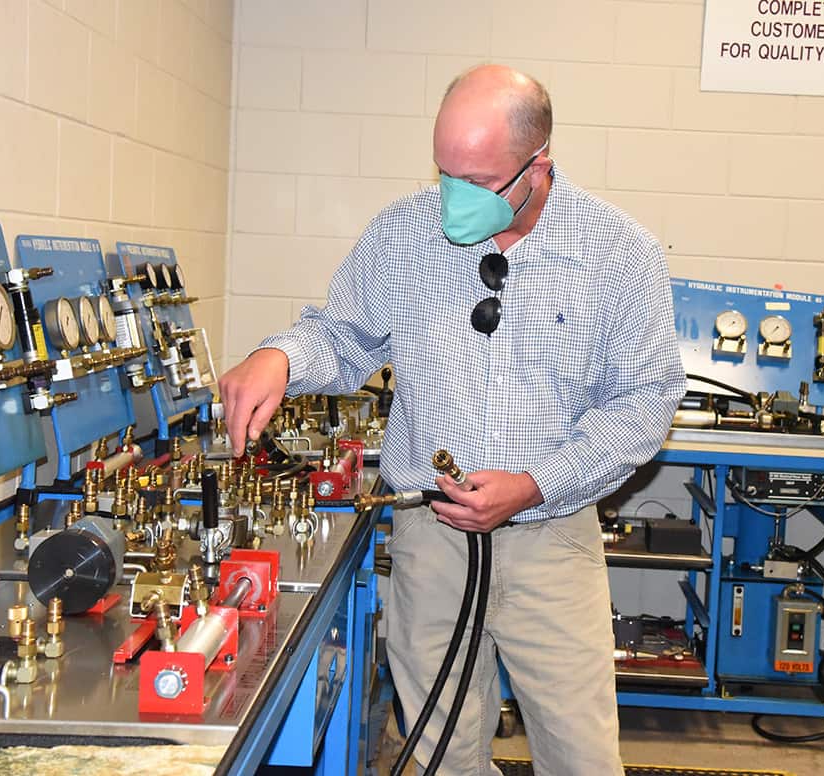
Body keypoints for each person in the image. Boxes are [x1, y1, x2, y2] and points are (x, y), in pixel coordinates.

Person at [218, 65, 686, 774]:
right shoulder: (402, 237)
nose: (452, 200)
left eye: (476, 182)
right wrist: (278, 357)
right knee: (442, 755)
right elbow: (340, 337)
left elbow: (644, 403)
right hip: (432, 540)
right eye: (444, 174)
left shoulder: (620, 255)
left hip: (552, 545)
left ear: (538, 166)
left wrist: (535, 483)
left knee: (581, 756)